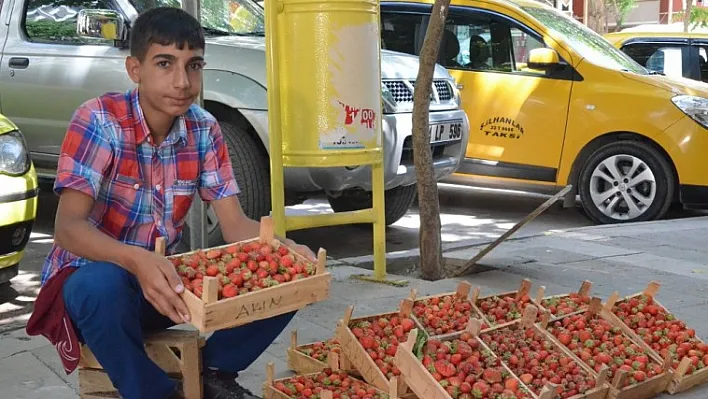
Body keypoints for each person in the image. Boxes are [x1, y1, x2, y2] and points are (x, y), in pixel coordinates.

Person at [25, 6, 316, 399]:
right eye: (165, 64)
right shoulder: (98, 120)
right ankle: (155, 392)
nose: (182, 81)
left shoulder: (204, 129)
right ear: (135, 69)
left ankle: (215, 371)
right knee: (99, 285)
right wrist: (137, 260)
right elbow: (68, 229)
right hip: (96, 286)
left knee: (290, 278)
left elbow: (235, 226)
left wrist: (287, 254)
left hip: (164, 284)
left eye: (193, 66)